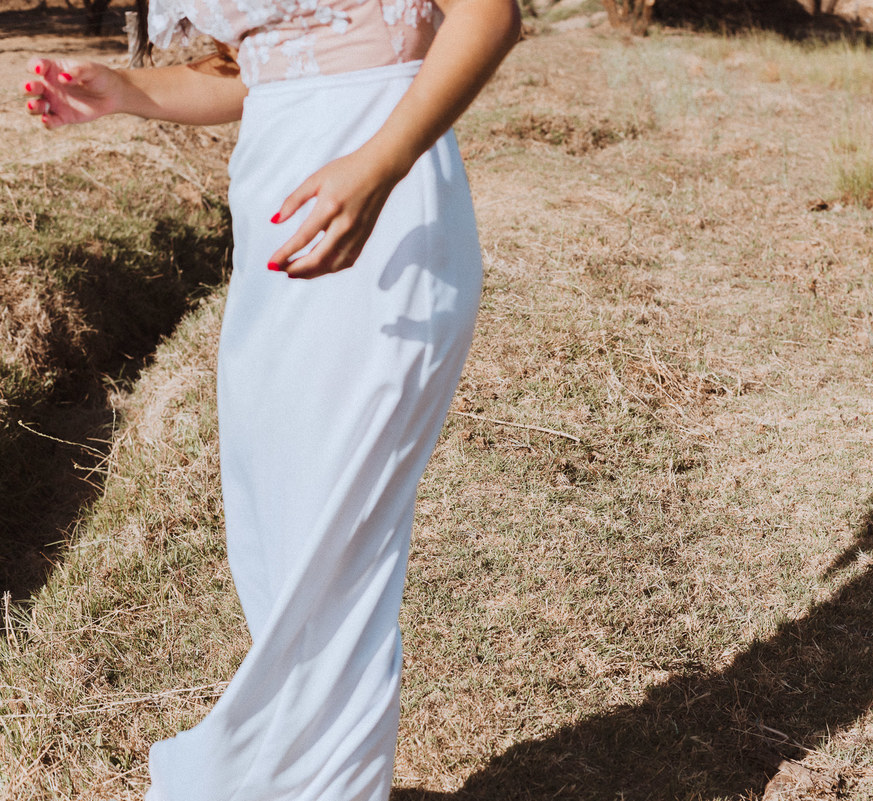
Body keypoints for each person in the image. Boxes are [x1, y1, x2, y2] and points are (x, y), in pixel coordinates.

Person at [21, 0, 522, 798]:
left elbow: (490, 14)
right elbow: (254, 69)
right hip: (276, 214)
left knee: (335, 550)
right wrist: (128, 91)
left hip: (384, 213)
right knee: (278, 538)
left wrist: (380, 164)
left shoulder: (382, 171)